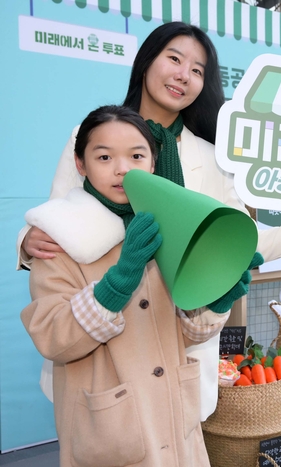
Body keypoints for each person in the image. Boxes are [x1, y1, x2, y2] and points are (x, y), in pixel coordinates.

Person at [16, 22, 281, 420]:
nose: (184, 74)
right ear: (146, 61)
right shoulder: (92, 134)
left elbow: (246, 242)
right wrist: (27, 241)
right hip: (100, 347)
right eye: (174, 58)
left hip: (183, 338)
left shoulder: (214, 157)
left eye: (198, 70)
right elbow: (58, 218)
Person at [22, 105, 251, 466]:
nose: (121, 168)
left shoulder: (169, 228)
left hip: (176, 428)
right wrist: (116, 284)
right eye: (103, 156)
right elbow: (51, 337)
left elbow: (185, 334)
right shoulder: (59, 235)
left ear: (153, 164)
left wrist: (217, 301)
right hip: (111, 435)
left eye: (136, 155)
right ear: (80, 164)